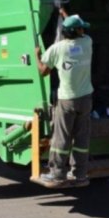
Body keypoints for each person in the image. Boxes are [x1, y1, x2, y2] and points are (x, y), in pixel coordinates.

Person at [35, 13, 93, 188]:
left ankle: (57, 174)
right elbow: (79, 31)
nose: (84, 29)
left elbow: (44, 71)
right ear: (78, 31)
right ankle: (80, 175)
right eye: (81, 27)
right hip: (86, 98)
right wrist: (64, 13)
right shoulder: (87, 43)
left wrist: (36, 56)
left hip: (67, 100)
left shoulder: (57, 48)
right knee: (81, 138)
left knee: (62, 138)